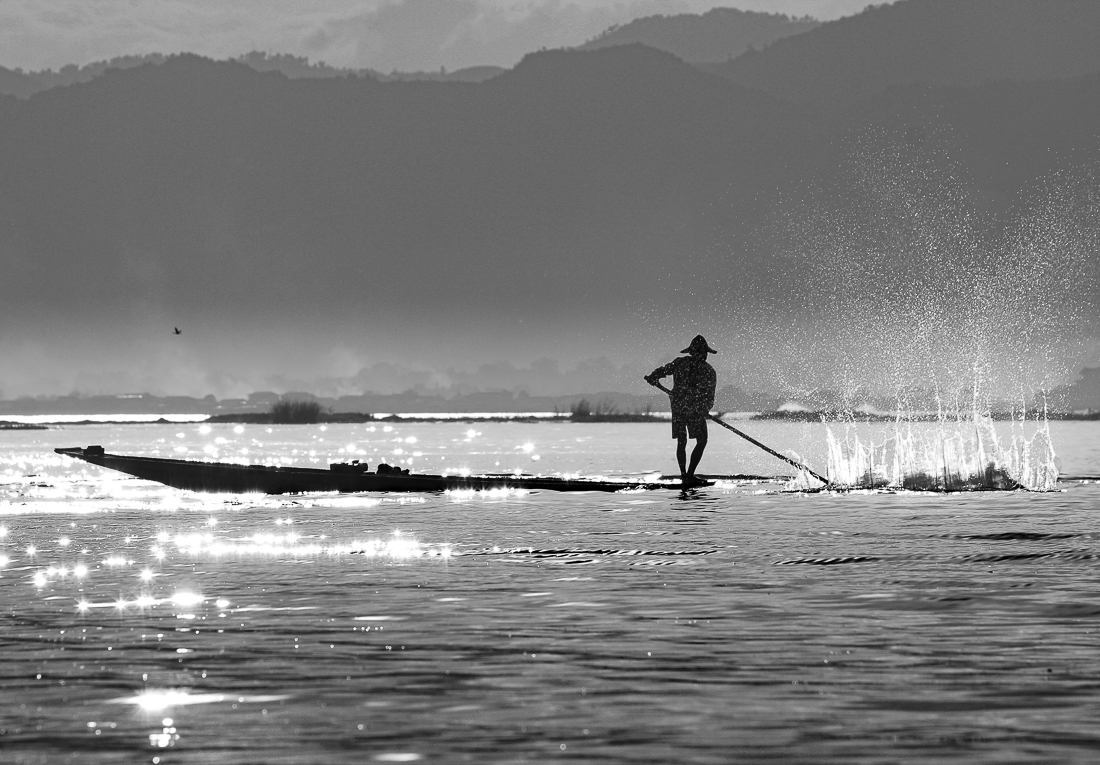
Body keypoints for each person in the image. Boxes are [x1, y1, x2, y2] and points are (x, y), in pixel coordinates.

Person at [644, 335, 718, 484]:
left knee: (683, 441)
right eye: (702, 352)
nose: (703, 355)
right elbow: (709, 397)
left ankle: (685, 475)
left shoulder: (682, 364)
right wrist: (704, 408)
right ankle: (687, 476)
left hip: (682, 408)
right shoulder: (707, 370)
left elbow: (709, 397)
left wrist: (654, 377)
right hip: (691, 410)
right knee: (699, 440)